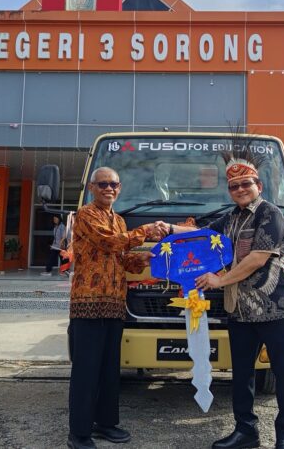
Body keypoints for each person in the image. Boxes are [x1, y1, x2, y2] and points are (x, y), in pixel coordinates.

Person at [166, 156, 284, 449]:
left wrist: (220, 281)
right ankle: (246, 432)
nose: (240, 189)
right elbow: (202, 234)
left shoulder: (271, 214)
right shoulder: (231, 218)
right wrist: (166, 228)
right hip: (240, 311)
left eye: (245, 184)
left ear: (258, 186)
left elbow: (257, 259)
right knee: (241, 375)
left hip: (276, 310)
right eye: (233, 186)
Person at [67, 166, 167, 449]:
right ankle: (79, 433)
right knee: (86, 370)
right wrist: (146, 231)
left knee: (109, 369)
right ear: (91, 188)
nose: (108, 188)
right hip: (88, 305)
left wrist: (145, 259)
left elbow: (120, 258)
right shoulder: (86, 214)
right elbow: (109, 243)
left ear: (119, 188)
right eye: (102, 184)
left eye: (113, 184)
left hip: (114, 304)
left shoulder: (120, 220)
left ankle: (106, 423)